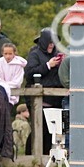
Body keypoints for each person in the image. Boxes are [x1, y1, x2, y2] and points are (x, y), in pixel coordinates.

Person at [25, 28, 65, 156]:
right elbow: (29, 74)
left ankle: (46, 157)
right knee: (38, 131)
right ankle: (31, 157)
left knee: (51, 132)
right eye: (49, 42)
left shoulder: (58, 54)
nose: (52, 45)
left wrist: (62, 64)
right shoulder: (34, 54)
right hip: (39, 101)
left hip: (56, 99)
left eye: (53, 43)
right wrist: (48, 65)